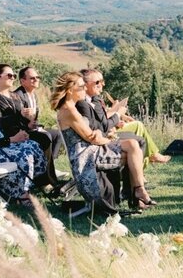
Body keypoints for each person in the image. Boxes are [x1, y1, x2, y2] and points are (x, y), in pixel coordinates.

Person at [53, 72, 155, 211]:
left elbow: (92, 133)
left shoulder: (71, 107)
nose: (84, 89)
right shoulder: (69, 110)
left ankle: (138, 190)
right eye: (82, 87)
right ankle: (136, 191)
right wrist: (104, 136)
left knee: (132, 145)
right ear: (70, 90)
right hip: (85, 155)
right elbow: (92, 138)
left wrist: (99, 134)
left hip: (90, 148)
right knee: (132, 152)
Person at [0, 63, 64, 190]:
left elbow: (20, 120)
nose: (13, 77)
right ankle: (45, 180)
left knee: (44, 137)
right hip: (8, 135)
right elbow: (0, 121)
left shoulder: (14, 96)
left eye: (13, 75)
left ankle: (45, 178)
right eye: (9, 75)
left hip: (21, 131)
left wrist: (29, 122)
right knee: (43, 137)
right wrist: (20, 118)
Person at [78, 69, 170, 164]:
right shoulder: (86, 102)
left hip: (106, 130)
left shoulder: (93, 99)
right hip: (101, 137)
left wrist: (117, 118)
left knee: (137, 129)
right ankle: (148, 158)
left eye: (102, 81)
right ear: (85, 84)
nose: (102, 84)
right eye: (98, 82)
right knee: (138, 127)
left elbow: (101, 118)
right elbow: (101, 123)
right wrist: (117, 113)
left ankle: (146, 160)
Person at [0, 72, 47, 204]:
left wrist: (17, 136)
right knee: (22, 154)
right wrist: (11, 140)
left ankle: (28, 186)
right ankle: (20, 193)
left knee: (32, 145)